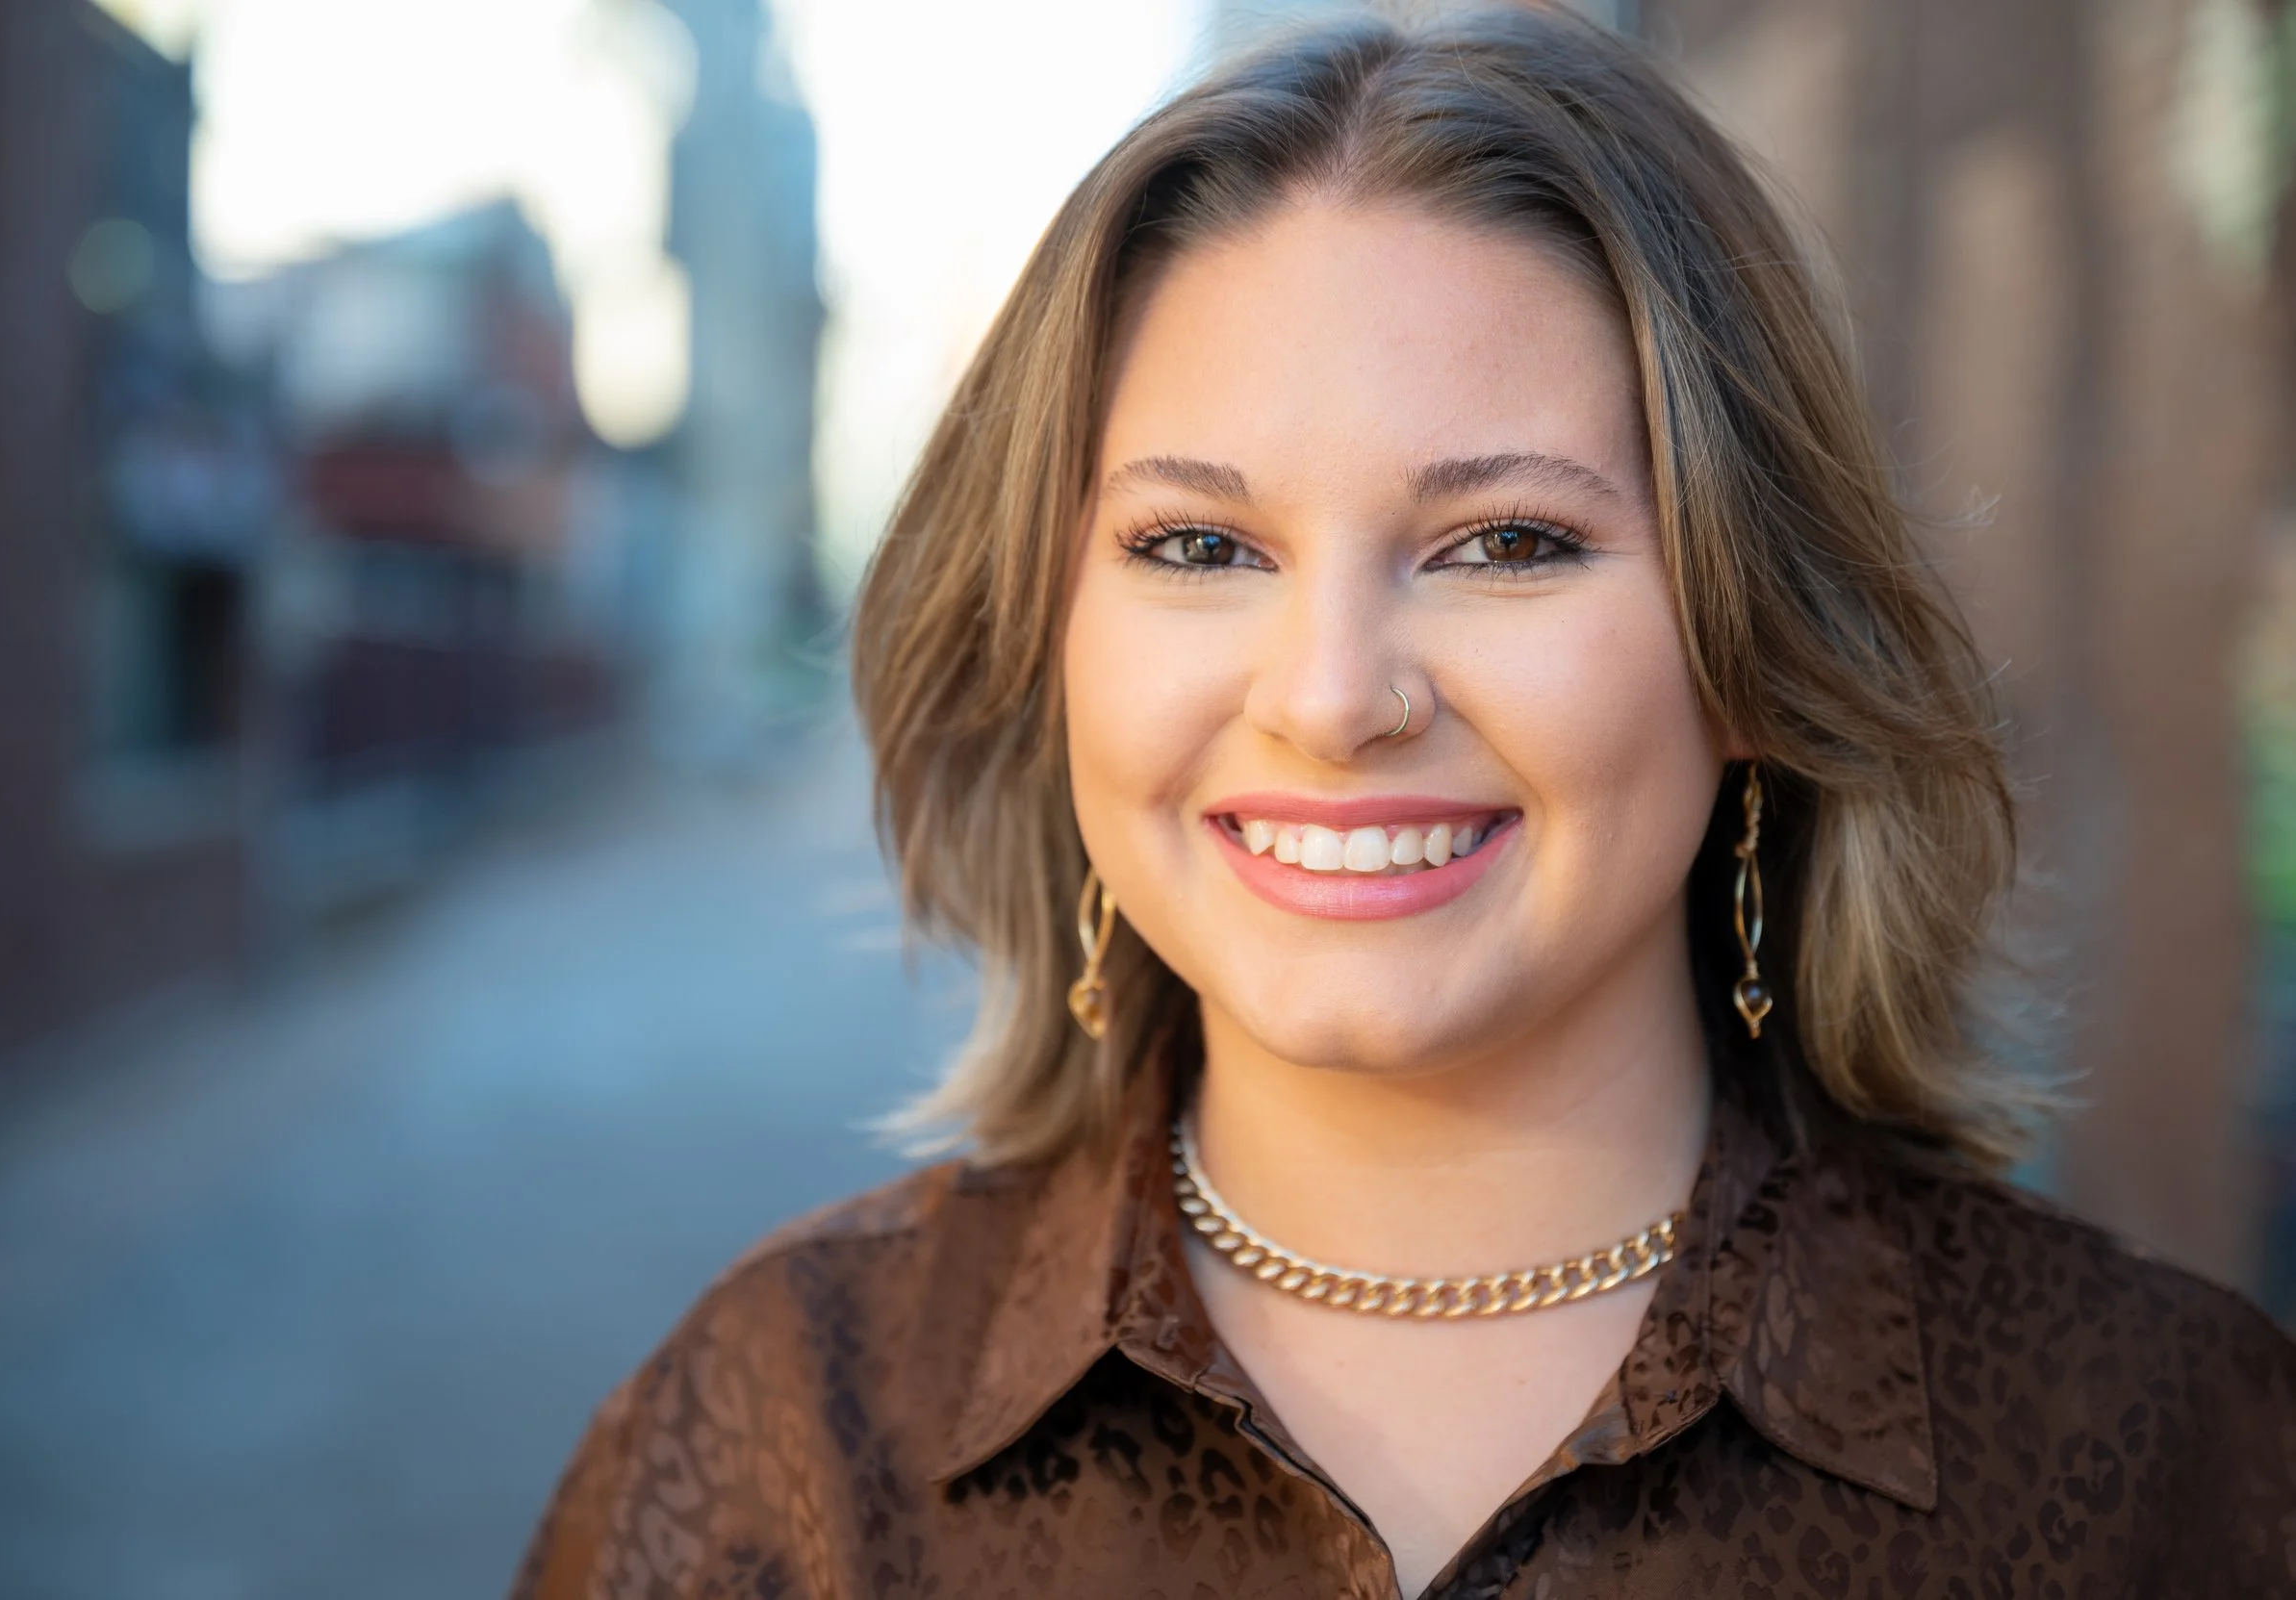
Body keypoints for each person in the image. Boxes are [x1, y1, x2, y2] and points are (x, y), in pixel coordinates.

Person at [510, 10, 2296, 1597]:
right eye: (1198, 544)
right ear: (1051, 642)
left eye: (1506, 543)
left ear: (1758, 641)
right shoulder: (777, 1434)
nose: (1332, 696)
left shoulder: (2177, 1454)